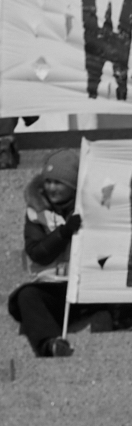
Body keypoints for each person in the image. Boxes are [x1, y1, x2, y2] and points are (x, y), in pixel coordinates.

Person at [9, 150, 83, 358]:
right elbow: (38, 253)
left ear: (74, 185)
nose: (51, 188)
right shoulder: (36, 212)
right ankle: (50, 345)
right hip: (53, 287)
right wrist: (65, 232)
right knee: (26, 296)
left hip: (85, 286)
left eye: (58, 183)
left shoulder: (92, 208)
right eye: (48, 181)